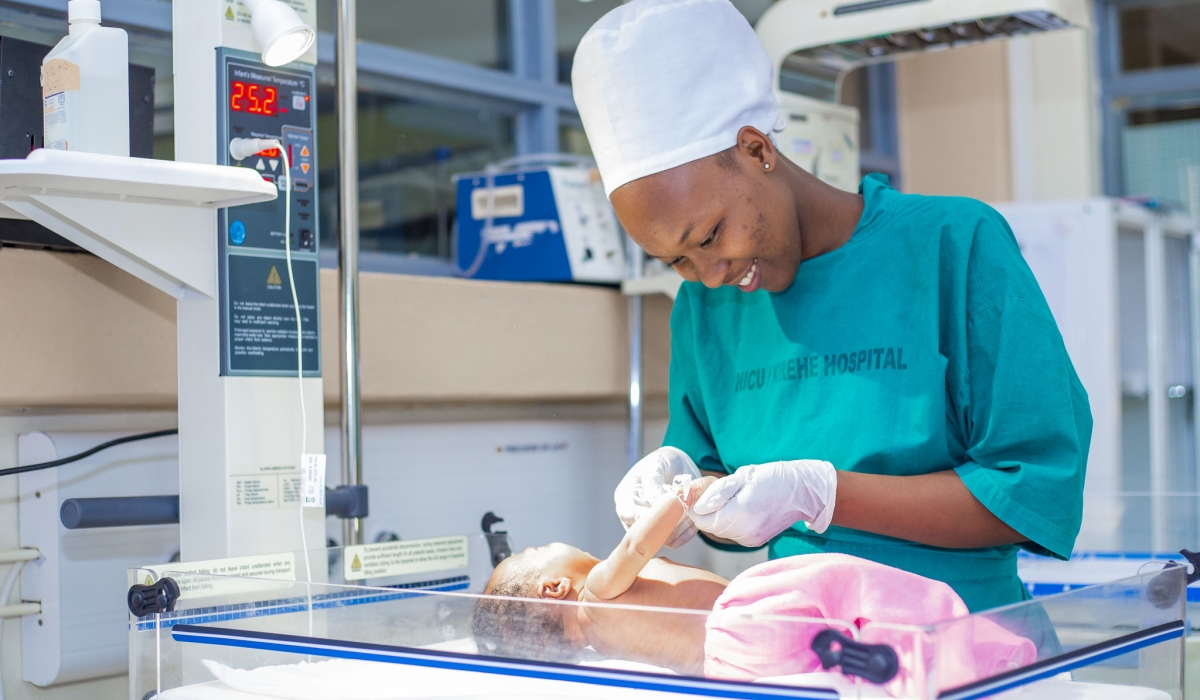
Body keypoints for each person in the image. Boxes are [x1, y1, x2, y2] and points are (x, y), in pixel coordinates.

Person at [574, 0, 1091, 613]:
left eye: (710, 237)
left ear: (756, 148)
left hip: (968, 646)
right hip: (793, 652)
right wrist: (684, 499)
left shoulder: (952, 245)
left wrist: (826, 494)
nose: (709, 277)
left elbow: (1034, 495)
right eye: (675, 261)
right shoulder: (704, 312)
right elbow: (722, 503)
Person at [471, 474, 1036, 695]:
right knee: (842, 584)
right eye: (532, 553)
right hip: (742, 618)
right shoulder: (595, 592)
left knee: (829, 664)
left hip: (732, 669)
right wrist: (679, 496)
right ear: (552, 591)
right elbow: (637, 547)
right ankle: (949, 649)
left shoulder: (605, 646)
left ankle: (875, 672)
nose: (543, 543)